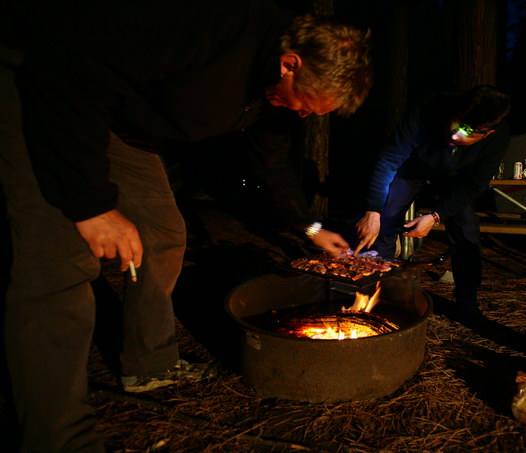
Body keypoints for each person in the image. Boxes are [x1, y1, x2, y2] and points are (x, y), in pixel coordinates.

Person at [0, 0, 372, 451]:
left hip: (123, 124)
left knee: (163, 234)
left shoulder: (270, 95)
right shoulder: (210, 20)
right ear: (289, 64)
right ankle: (59, 437)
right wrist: (92, 207)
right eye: (307, 106)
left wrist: (310, 227)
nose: (305, 116)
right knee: (60, 261)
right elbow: (74, 64)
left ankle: (149, 363)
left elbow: (272, 163)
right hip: (52, 95)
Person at [354, 85, 510, 319]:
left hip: (457, 177)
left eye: (468, 132)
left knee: (467, 231)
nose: (455, 134)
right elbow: (389, 159)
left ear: (487, 133)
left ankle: (467, 300)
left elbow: (474, 185)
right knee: (386, 216)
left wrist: (435, 216)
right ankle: (376, 289)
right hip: (413, 165)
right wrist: (373, 208)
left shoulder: (497, 139)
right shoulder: (428, 109)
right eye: (457, 123)